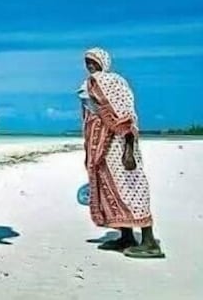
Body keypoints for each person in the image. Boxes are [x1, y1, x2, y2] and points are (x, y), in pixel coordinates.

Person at [80, 47, 165, 259]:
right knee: (111, 188)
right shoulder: (94, 84)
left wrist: (128, 151)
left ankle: (150, 241)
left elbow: (124, 117)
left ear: (104, 63)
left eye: (94, 62)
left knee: (131, 190)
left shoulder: (111, 83)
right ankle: (126, 236)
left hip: (118, 146)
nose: (90, 66)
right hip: (102, 149)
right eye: (87, 62)